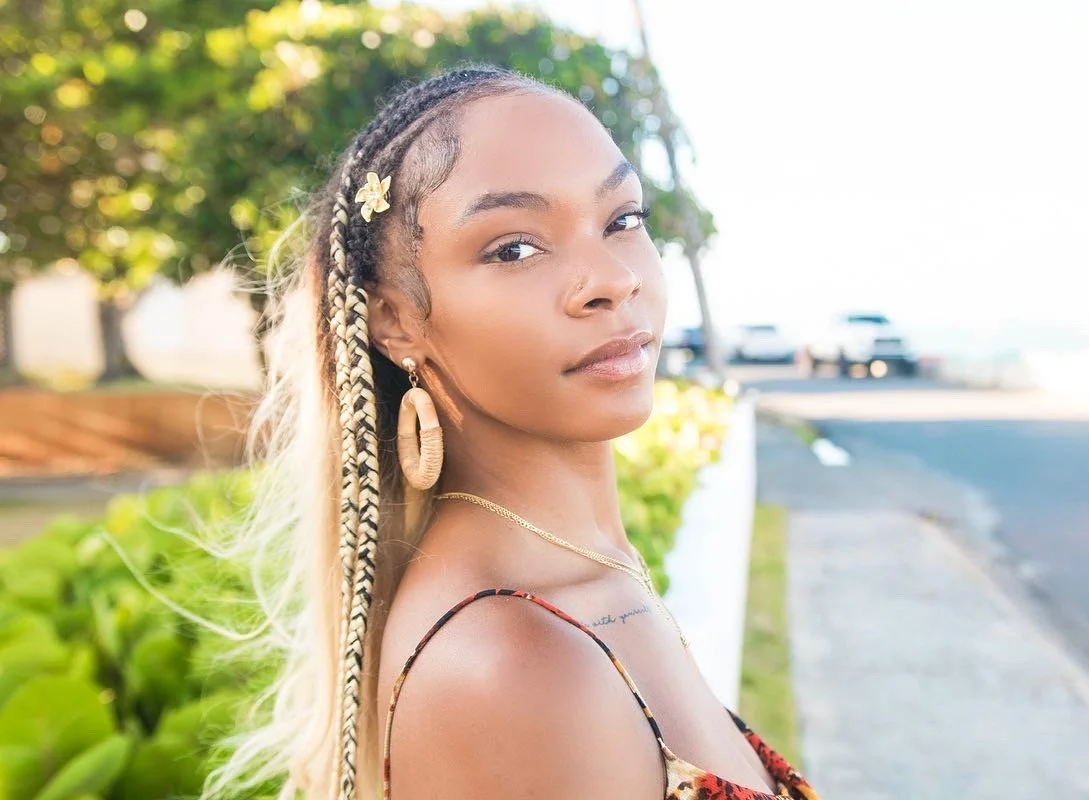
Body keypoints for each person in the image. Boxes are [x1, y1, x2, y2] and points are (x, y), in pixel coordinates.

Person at [209, 65, 820, 800]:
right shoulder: (509, 660)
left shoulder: (588, 575)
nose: (610, 279)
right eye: (514, 248)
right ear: (397, 319)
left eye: (622, 219)